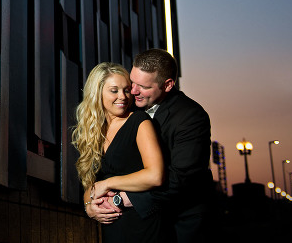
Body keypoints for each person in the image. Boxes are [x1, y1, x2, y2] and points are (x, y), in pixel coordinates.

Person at [87, 49, 213, 243]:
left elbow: (181, 178)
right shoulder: (128, 106)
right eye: (132, 82)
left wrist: (122, 198)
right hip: (134, 221)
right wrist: (89, 203)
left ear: (168, 84)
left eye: (142, 86)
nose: (133, 91)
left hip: (181, 221)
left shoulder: (190, 117)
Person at [72, 62, 166, 242]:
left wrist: (108, 184)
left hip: (142, 223)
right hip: (113, 226)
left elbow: (155, 175)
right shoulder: (93, 131)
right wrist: (88, 206)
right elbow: (90, 184)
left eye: (126, 90)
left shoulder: (140, 121)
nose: (122, 97)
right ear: (97, 93)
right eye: (114, 91)